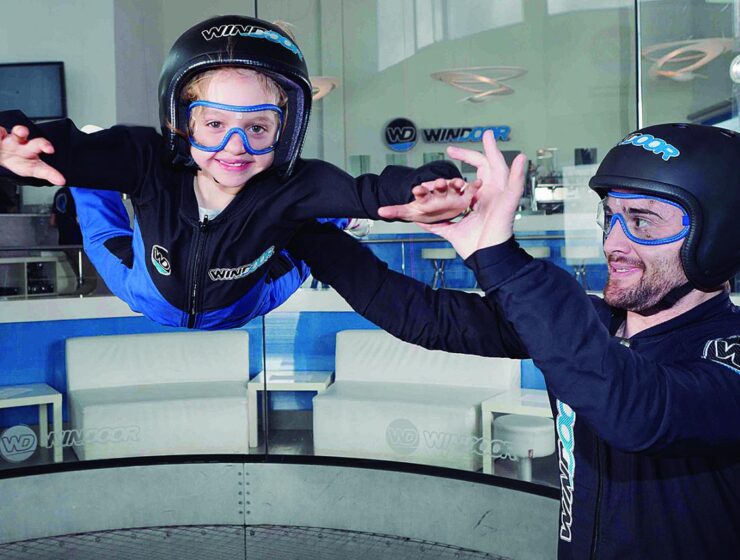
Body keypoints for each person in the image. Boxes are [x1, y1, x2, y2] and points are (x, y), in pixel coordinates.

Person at [287, 125, 740, 559]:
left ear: (716, 238)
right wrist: (294, 224)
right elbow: (425, 317)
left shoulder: (729, 357)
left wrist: (499, 256)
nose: (613, 243)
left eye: (642, 221)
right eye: (612, 218)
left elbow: (632, 409)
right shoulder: (594, 324)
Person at [0, 15, 473, 329]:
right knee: (92, 190)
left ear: (284, 132)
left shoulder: (293, 184)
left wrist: (427, 188)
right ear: (182, 122)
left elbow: (374, 189)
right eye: (215, 124)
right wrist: (18, 141)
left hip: (248, 302)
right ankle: (93, 173)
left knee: (314, 224)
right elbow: (62, 146)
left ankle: (331, 218)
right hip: (144, 290)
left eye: (257, 128)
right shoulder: (151, 161)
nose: (234, 147)